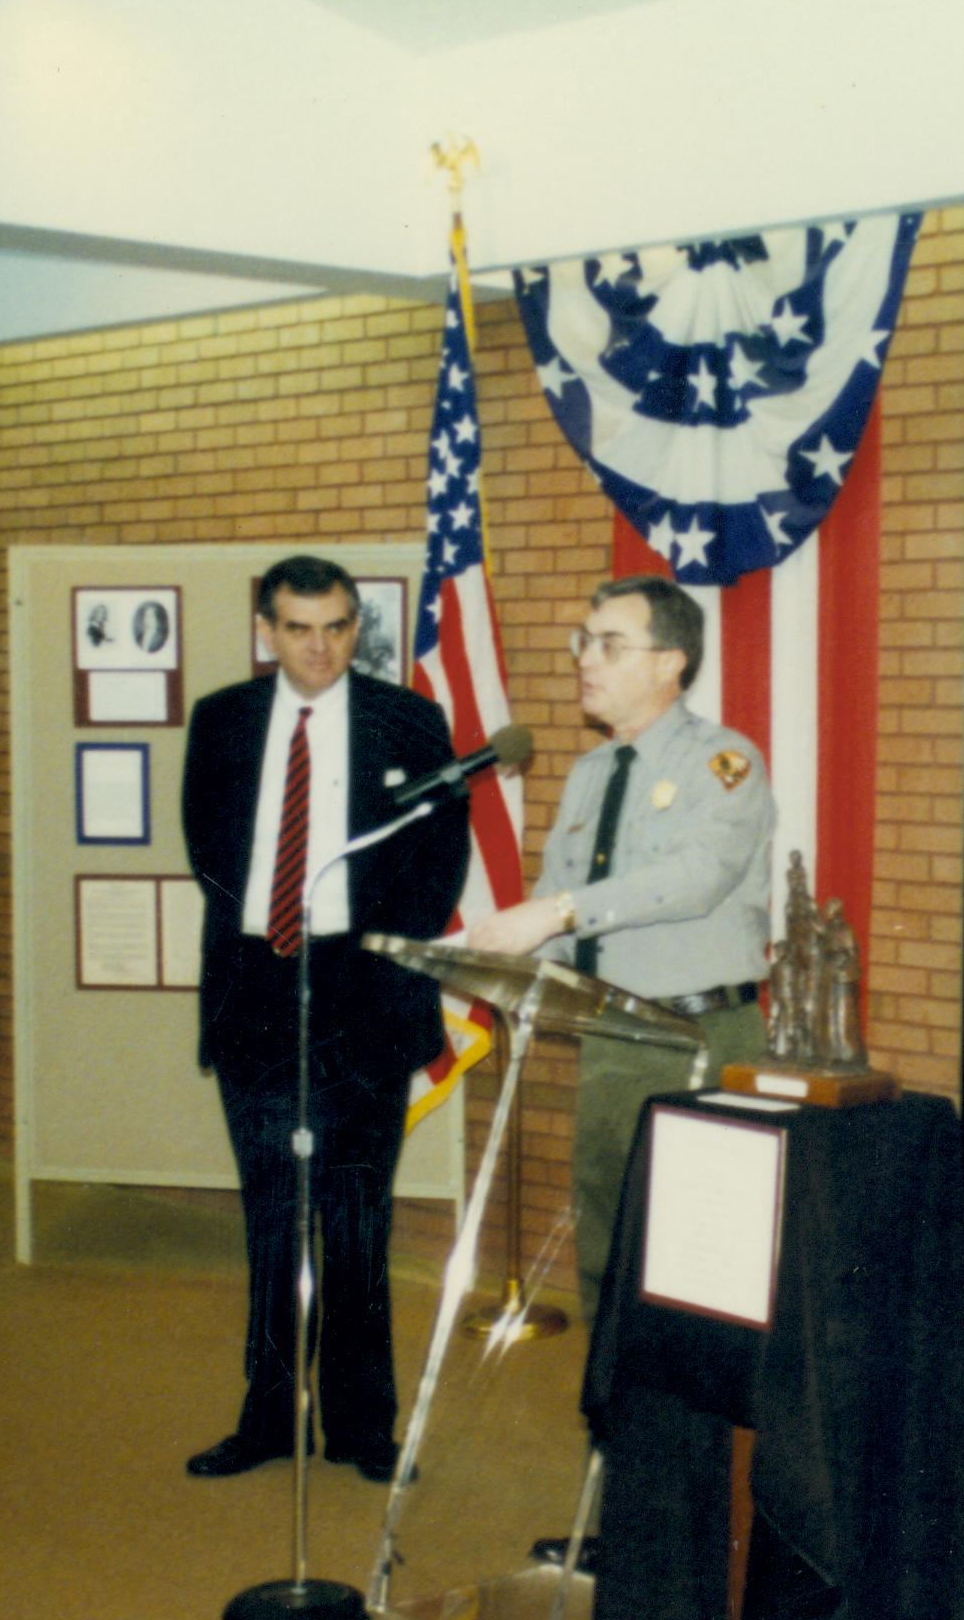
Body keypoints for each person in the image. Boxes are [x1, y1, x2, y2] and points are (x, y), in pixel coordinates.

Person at [178, 555, 471, 1482]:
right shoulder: (222, 718)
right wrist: (280, 927)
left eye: (338, 626)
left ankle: (359, 1425)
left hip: (362, 994)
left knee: (354, 1216)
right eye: (300, 628)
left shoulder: (409, 720)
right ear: (267, 630)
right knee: (271, 1215)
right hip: (258, 989)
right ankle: (268, 1415)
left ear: (357, 628)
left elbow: (440, 864)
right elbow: (207, 846)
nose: (320, 646)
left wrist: (364, 946)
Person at [466, 573, 775, 1322]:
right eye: (584, 641)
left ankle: (693, 1438)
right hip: (612, 1035)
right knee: (608, 1236)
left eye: (609, 644)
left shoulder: (723, 762)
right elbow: (560, 902)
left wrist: (555, 911)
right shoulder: (589, 772)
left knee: (699, 1251)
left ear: (670, 663)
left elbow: (696, 880)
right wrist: (506, 953)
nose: (586, 659)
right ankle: (614, 1424)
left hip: (700, 1037)